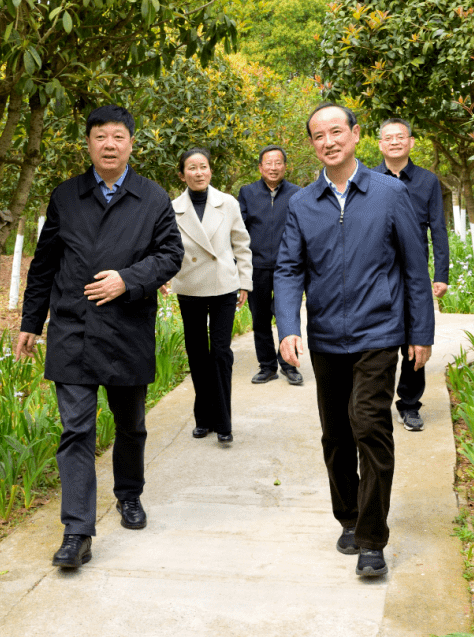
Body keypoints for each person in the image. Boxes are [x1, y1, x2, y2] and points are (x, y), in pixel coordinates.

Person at [15, 104, 184, 570]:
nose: (109, 145)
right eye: (100, 137)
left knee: (131, 424)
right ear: (88, 144)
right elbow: (45, 262)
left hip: (127, 329)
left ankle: (129, 495)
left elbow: (171, 254)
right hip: (73, 329)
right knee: (76, 431)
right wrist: (32, 322)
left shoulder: (151, 198)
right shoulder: (66, 196)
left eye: (118, 137)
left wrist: (128, 279)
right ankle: (77, 531)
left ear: (131, 143)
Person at [276, 103, 434, 578]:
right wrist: (288, 326)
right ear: (312, 144)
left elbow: (413, 267)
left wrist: (420, 331)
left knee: (369, 426)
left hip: (379, 333)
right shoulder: (302, 203)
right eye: (319, 135)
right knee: (337, 436)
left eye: (337, 131)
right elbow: (288, 269)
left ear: (356, 134)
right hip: (326, 338)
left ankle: (372, 539)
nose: (329, 141)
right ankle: (347, 517)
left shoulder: (389, 193)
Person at [164, 147, 253, 443]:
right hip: (189, 286)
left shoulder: (228, 203)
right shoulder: (173, 207)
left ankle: (224, 422)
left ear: (210, 171)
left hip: (223, 285)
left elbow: (241, 244)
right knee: (197, 354)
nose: (198, 172)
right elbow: (166, 249)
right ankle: (203, 418)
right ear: (182, 174)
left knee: (221, 354)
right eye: (192, 168)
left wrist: (245, 282)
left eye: (203, 167)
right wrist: (162, 278)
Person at [373, 118, 449, 433]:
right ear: (379, 144)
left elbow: (438, 229)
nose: (394, 142)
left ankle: (409, 405)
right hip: (377, 273)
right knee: (377, 340)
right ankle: (374, 404)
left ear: (411, 142)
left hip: (414, 275)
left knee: (416, 338)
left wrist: (441, 274)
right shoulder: (367, 179)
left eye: (400, 137)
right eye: (388, 137)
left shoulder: (427, 181)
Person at [237, 146, 302, 385]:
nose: (273, 168)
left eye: (278, 163)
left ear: (286, 166)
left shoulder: (297, 194)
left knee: (288, 316)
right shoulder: (247, 193)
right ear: (260, 167)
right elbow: (239, 232)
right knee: (260, 319)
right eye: (269, 163)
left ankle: (289, 364)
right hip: (257, 267)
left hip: (289, 268)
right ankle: (267, 366)